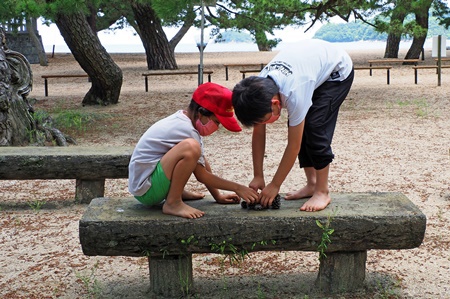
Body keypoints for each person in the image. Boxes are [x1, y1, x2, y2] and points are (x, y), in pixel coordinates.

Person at [232, 39, 354, 212]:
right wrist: (258, 175)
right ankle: (311, 184)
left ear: (275, 103)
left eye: (264, 119)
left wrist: (275, 185)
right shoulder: (257, 88)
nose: (263, 124)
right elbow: (258, 134)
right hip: (310, 66)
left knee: (314, 127)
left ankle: (322, 190)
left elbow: (293, 145)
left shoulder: (294, 92)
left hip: (337, 70)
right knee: (300, 124)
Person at [128, 82, 259, 219]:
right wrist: (238, 188)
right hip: (146, 190)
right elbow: (201, 175)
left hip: (146, 186)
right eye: (217, 122)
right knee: (191, 147)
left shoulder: (185, 122)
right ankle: (173, 202)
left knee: (193, 149)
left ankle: (175, 193)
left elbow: (201, 163)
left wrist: (217, 195)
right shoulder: (187, 130)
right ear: (202, 113)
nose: (217, 127)